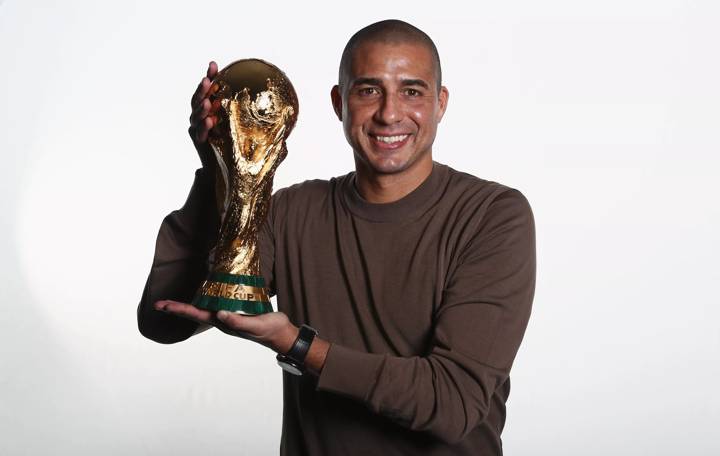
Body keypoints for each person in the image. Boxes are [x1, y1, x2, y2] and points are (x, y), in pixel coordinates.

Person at [138, 19, 536, 456]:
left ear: (440, 103)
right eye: (368, 90)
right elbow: (163, 320)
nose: (389, 113)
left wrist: (299, 345)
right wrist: (220, 169)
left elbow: (452, 402)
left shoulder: (492, 216)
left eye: (412, 91)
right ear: (338, 102)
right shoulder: (290, 212)